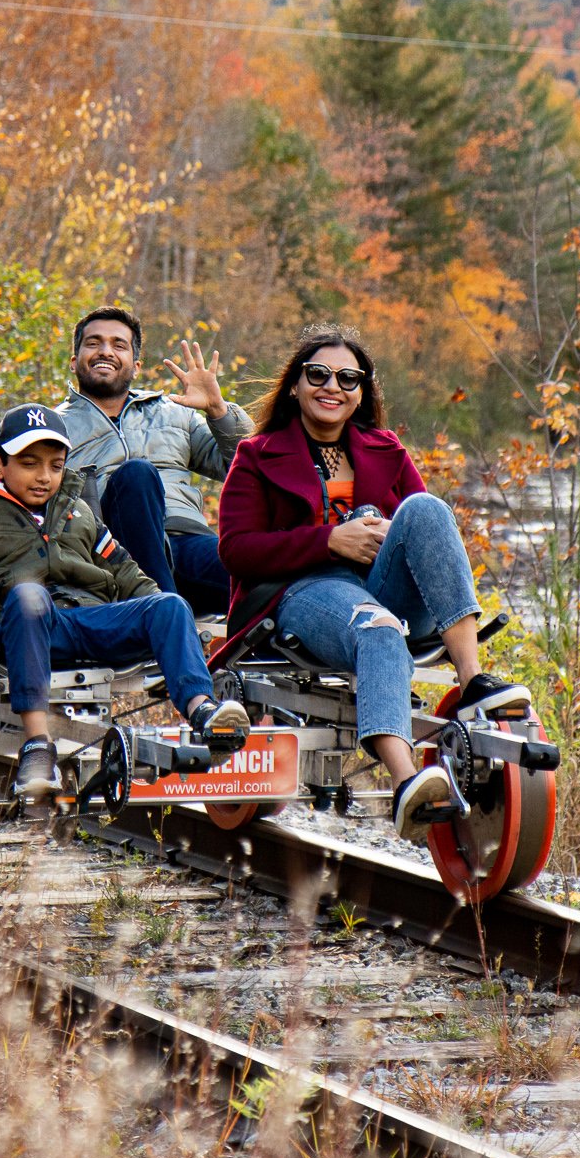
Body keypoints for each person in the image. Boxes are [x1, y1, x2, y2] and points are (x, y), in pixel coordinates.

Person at [216, 324, 531, 843]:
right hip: (305, 592)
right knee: (379, 628)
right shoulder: (257, 454)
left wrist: (387, 533)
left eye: (348, 378)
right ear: (295, 384)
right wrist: (329, 541)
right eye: (318, 374)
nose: (332, 386)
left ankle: (472, 679)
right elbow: (235, 549)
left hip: (380, 583)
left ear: (363, 391)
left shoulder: (384, 446)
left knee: (427, 508)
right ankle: (408, 782)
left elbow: (425, 534)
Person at [0, 404, 250, 802]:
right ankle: (37, 745)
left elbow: (128, 574)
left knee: (169, 605)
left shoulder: (78, 512)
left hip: (86, 622)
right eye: (29, 463)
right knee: (29, 596)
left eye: (55, 465)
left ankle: (203, 710)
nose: (44, 476)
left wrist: (173, 623)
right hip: (20, 628)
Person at [57, 306, 249, 616]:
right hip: (108, 556)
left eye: (118, 345)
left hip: (185, 542)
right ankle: (164, 616)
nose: (105, 351)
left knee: (264, 569)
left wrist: (218, 410)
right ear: (73, 360)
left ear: (135, 365)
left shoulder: (174, 411)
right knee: (137, 475)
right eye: (93, 343)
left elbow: (250, 467)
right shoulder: (52, 428)